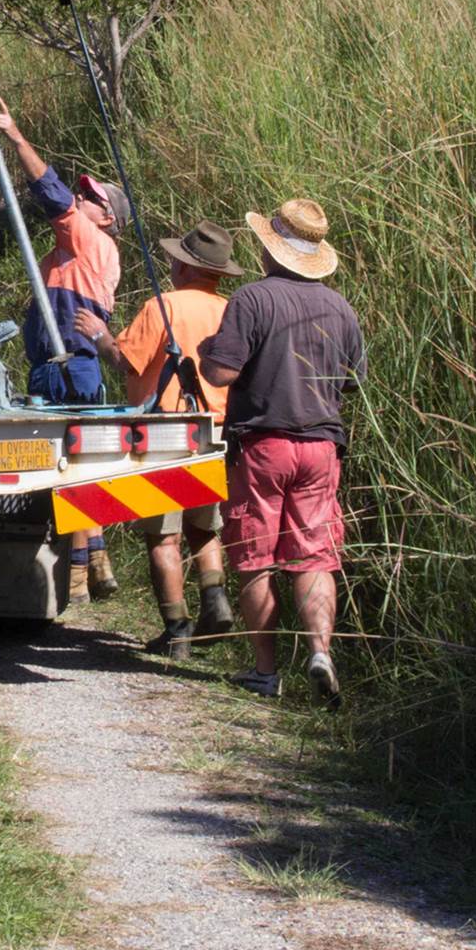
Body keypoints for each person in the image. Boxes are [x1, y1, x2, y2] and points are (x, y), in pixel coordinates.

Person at [198, 199, 364, 708]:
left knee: (256, 558)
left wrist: (207, 353)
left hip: (263, 447)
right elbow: (352, 381)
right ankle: (320, 653)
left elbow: (220, 374)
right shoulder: (341, 307)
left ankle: (265, 672)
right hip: (321, 448)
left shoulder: (251, 299)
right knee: (315, 558)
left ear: (271, 249)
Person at [77, 222, 243, 660]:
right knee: (205, 528)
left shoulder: (161, 306)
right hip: (216, 428)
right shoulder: (231, 310)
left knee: (162, 537)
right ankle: (215, 601)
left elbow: (126, 361)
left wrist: (98, 335)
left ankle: (177, 628)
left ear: (185, 266)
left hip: (164, 430)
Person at [0, 99, 128, 606]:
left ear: (106, 216)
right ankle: (94, 558)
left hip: (72, 368)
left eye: (89, 196)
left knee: (70, 469)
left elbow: (50, 191)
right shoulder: (72, 251)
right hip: (57, 368)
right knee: (72, 467)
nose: (79, 198)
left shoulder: (90, 240)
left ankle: (77, 570)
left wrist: (16, 136)